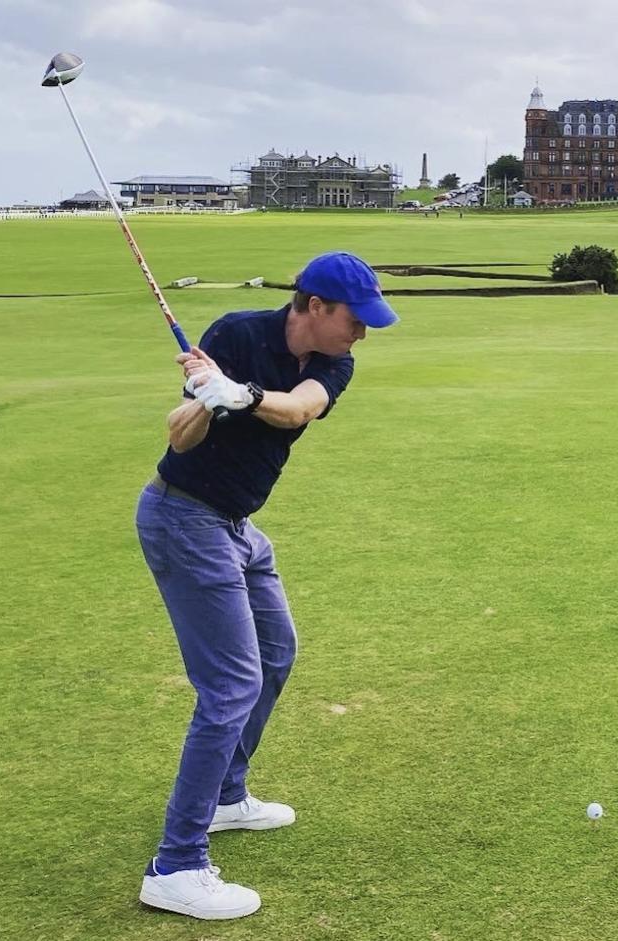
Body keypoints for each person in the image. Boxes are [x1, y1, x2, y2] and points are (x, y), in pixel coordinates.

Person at [135, 251, 398, 920]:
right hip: (183, 515)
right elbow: (179, 438)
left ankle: (226, 795)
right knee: (229, 686)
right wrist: (202, 392)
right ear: (314, 307)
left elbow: (298, 409)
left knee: (277, 653)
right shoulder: (237, 334)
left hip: (237, 528)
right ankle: (176, 864)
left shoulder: (333, 365)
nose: (361, 333)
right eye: (353, 319)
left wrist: (243, 394)